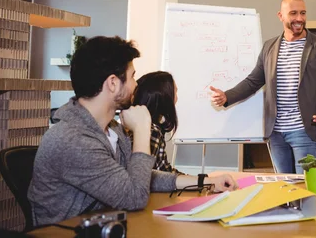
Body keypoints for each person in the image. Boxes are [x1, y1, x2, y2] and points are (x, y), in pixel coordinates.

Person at [28, 36, 236, 226]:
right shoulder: (73, 140)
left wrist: (207, 181)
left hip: (108, 224)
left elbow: (141, 177)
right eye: (132, 77)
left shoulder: (111, 130)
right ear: (112, 83)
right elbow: (134, 197)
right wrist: (143, 128)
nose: (136, 85)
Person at [210, 0, 316, 174]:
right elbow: (253, 81)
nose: (299, 18)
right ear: (280, 16)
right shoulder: (269, 47)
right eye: (293, 13)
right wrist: (227, 96)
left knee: (305, 190)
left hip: (305, 131)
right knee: (283, 189)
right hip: (276, 133)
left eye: (303, 13)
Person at [132, 71, 183, 174]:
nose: (177, 98)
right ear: (165, 98)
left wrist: (203, 180)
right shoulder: (152, 132)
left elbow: (165, 170)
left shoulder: (152, 128)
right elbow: (148, 177)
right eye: (175, 92)